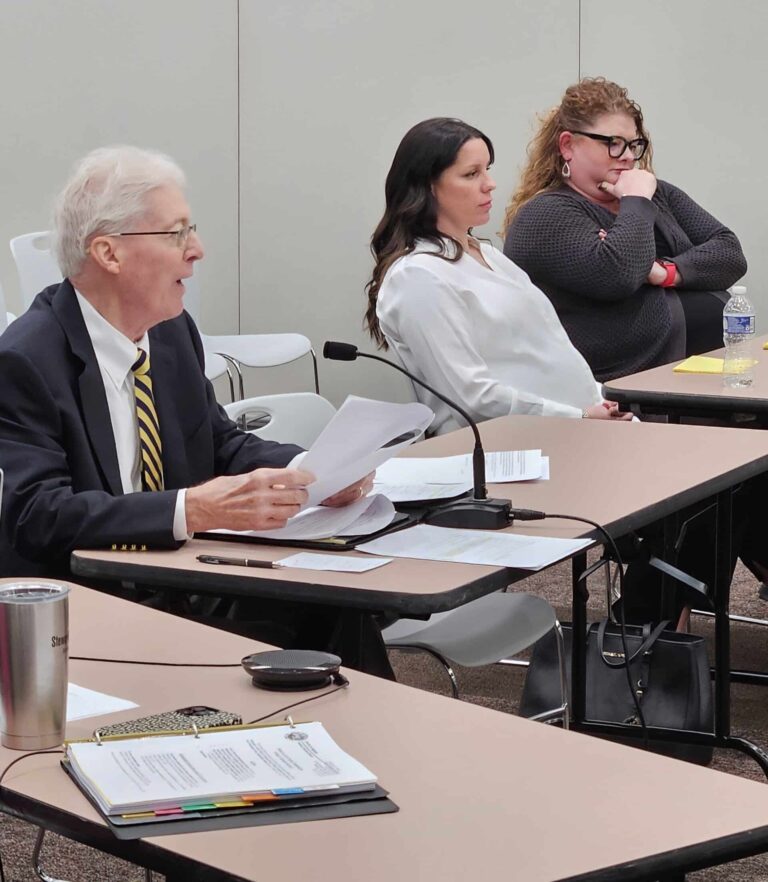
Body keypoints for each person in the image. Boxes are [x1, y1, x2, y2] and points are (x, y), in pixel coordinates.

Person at [0, 146, 385, 665]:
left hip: (182, 576)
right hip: (93, 609)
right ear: (109, 254)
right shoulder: (27, 358)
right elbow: (37, 514)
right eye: (176, 232)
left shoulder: (171, 330)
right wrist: (192, 509)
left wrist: (310, 473)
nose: (197, 249)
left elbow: (217, 439)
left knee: (339, 605)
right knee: (294, 637)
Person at [364, 117, 632, 435]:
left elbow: (547, 352)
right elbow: (472, 398)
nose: (489, 183)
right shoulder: (417, 277)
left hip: (575, 426)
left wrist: (602, 400)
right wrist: (577, 416)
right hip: (509, 449)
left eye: (487, 169)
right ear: (427, 187)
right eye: (471, 174)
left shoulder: (488, 255)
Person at [502, 78, 747, 382]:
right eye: (613, 143)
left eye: (633, 144)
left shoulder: (655, 194)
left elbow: (729, 253)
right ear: (568, 145)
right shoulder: (545, 215)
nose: (629, 156)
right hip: (622, 390)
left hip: (706, 374)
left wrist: (664, 272)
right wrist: (634, 200)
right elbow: (618, 275)